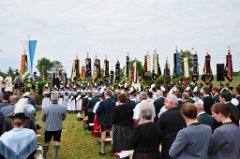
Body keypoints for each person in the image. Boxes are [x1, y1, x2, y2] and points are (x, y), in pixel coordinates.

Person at [157, 94, 185, 159]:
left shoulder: (164, 115)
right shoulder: (182, 114)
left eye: (166, 101)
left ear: (171, 103)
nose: (164, 103)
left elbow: (158, 130)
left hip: (167, 144)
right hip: (180, 143)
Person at [42, 92, 66, 159]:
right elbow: (64, 117)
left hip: (48, 127)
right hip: (58, 127)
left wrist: (47, 122)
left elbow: (43, 119)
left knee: (46, 142)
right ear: (58, 99)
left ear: (50, 100)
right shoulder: (62, 108)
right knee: (57, 141)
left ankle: (44, 156)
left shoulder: (46, 108)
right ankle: (55, 157)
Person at [96, 89, 116, 155]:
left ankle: (102, 151)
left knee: (103, 134)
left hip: (103, 120)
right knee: (112, 135)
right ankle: (113, 149)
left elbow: (97, 111)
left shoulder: (102, 102)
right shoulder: (114, 102)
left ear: (105, 94)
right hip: (111, 120)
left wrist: (100, 117)